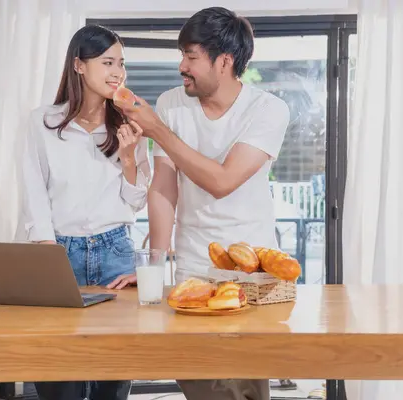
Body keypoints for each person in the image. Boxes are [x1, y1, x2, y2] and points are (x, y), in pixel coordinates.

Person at [109, 7, 290, 400]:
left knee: (246, 386)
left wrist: (157, 128)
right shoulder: (172, 103)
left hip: (251, 272)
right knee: (197, 380)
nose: (181, 66)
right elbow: (163, 189)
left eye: (191, 56)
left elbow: (222, 181)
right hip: (193, 266)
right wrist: (157, 262)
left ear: (224, 61)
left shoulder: (268, 110)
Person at [21, 24, 149, 400]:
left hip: (116, 255)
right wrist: (47, 250)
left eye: (121, 63)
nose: (117, 73)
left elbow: (135, 202)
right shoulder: (42, 122)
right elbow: (34, 191)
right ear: (79, 65)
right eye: (107, 62)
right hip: (59, 251)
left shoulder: (129, 125)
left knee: (113, 377)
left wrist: (128, 159)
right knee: (59, 376)